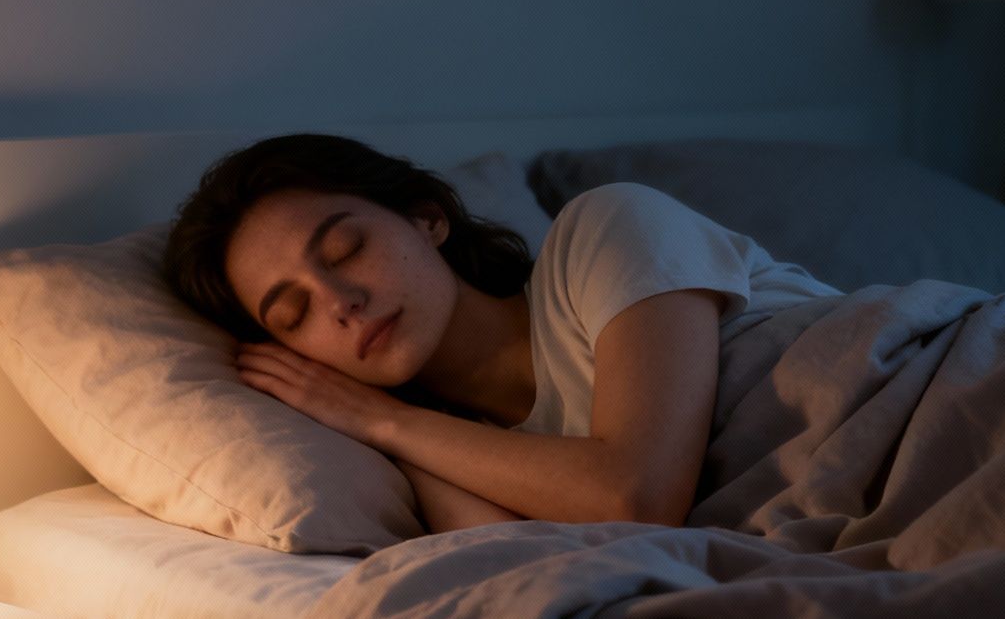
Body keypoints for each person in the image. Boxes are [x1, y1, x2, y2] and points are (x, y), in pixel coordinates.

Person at [164, 134, 839, 534]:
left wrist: (382, 421)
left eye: (344, 250)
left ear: (427, 219)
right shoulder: (441, 453)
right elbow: (537, 574)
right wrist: (387, 437)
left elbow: (637, 495)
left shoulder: (606, 230)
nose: (341, 302)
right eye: (293, 316)